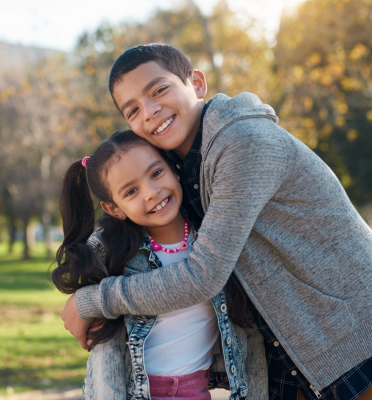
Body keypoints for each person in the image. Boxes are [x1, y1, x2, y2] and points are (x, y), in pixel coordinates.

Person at [62, 43, 372, 399]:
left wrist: (91, 301)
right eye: (133, 110)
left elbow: (204, 274)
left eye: (159, 90)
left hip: (350, 336)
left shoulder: (243, 143)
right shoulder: (173, 167)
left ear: (196, 83)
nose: (150, 111)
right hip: (288, 352)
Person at [51, 130, 267, 400]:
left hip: (195, 391)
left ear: (172, 168)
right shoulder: (110, 252)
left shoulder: (214, 240)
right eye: (131, 191)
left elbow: (248, 333)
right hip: (132, 392)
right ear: (114, 209)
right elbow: (102, 348)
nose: (151, 193)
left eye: (156, 173)